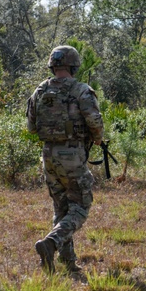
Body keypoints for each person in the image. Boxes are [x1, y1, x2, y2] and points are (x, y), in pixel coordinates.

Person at [27, 46, 104, 273]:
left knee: (61, 207)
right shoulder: (81, 90)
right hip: (72, 154)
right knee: (80, 205)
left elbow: (31, 127)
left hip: (48, 155)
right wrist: (98, 139)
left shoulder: (40, 91)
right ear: (73, 66)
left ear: (53, 65)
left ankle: (67, 262)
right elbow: (95, 122)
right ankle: (51, 242)